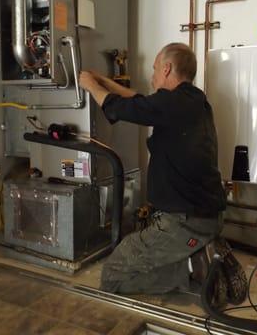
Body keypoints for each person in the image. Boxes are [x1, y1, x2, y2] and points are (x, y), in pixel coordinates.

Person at [79, 42, 228, 295]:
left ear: (168, 69)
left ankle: (194, 269)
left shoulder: (173, 105)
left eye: (156, 68)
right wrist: (102, 80)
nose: (153, 75)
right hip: (204, 216)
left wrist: (90, 85)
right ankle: (198, 257)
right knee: (142, 261)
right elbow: (140, 99)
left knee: (113, 273)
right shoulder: (192, 100)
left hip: (184, 223)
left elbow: (121, 107)